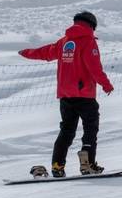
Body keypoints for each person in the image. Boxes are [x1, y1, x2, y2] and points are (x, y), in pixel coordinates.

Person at [19, 11, 114, 176]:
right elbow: (94, 68)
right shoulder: (88, 42)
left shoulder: (64, 42)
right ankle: (87, 164)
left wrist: (27, 52)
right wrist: (106, 84)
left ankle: (57, 166)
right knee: (90, 129)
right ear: (91, 25)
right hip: (84, 95)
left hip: (65, 95)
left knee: (67, 130)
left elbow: (46, 52)